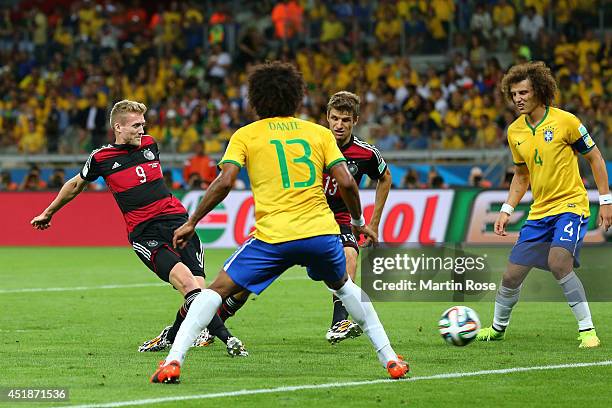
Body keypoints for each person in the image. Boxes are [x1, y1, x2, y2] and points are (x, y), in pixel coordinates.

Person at [150, 62, 408, 384]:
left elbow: (225, 181)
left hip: (274, 237)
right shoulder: (318, 134)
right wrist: (358, 221)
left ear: (255, 100)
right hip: (321, 234)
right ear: (297, 98)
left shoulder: (245, 135)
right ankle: (391, 359)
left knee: (215, 290)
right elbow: (347, 181)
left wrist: (192, 221)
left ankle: (173, 361)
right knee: (345, 287)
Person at [30, 100, 247, 357]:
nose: (141, 130)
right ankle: (229, 340)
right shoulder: (101, 158)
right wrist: (48, 211)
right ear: (118, 127)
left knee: (200, 295)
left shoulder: (150, 144)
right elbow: (76, 185)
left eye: (143, 124)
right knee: (191, 288)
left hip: (179, 223)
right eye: (135, 126)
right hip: (146, 234)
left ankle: (170, 335)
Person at [213, 91, 394, 346]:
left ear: (355, 120)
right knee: (245, 283)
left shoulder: (366, 153)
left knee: (349, 255)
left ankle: (339, 322)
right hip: (301, 213)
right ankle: (214, 323)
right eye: (334, 119)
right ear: (327, 118)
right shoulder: (312, 140)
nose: (339, 125)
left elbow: (384, 177)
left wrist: (372, 222)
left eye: (345, 120)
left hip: (338, 216)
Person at [476, 61, 611, 348]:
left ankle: (587, 331)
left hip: (571, 206)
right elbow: (521, 175)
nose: (518, 99)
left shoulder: (566, 122)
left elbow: (596, 158)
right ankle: (498, 329)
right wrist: (506, 209)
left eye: (524, 92)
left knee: (558, 262)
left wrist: (606, 201)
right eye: (514, 94)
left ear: (539, 90)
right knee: (511, 276)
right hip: (540, 211)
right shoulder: (515, 132)